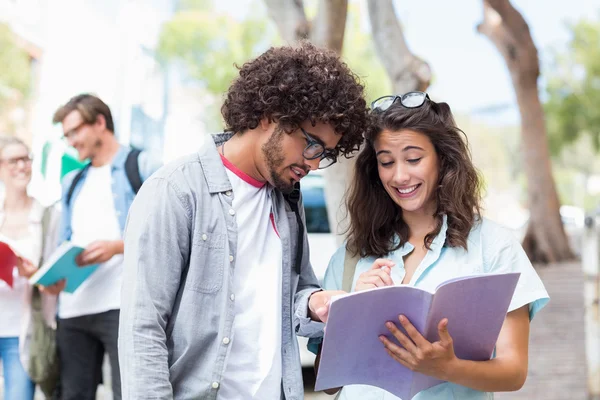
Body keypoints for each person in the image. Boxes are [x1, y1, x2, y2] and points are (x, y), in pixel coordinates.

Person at [119, 41, 370, 400]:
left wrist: (315, 304)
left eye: (324, 154)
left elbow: (285, 295)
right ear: (271, 114)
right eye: (312, 144)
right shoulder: (175, 191)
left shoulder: (286, 199)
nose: (314, 163)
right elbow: (141, 330)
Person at [313, 91, 550, 399]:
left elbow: (514, 371)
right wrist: (352, 313)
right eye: (386, 162)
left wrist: (447, 367)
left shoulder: (494, 247)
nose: (400, 176)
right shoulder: (352, 255)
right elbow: (327, 383)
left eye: (413, 159)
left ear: (443, 159)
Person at [51, 94, 161, 400]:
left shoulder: (141, 164)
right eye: (66, 135)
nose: (71, 141)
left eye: (74, 131)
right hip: (74, 308)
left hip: (122, 306)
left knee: (129, 393)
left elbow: (168, 229)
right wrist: (54, 277)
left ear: (100, 122)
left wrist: (117, 247)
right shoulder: (72, 180)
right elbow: (66, 240)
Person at [0, 137, 61, 400]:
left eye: (26, 159)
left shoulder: (48, 216)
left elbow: (57, 284)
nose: (22, 166)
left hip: (22, 333)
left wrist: (33, 274)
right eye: (14, 160)